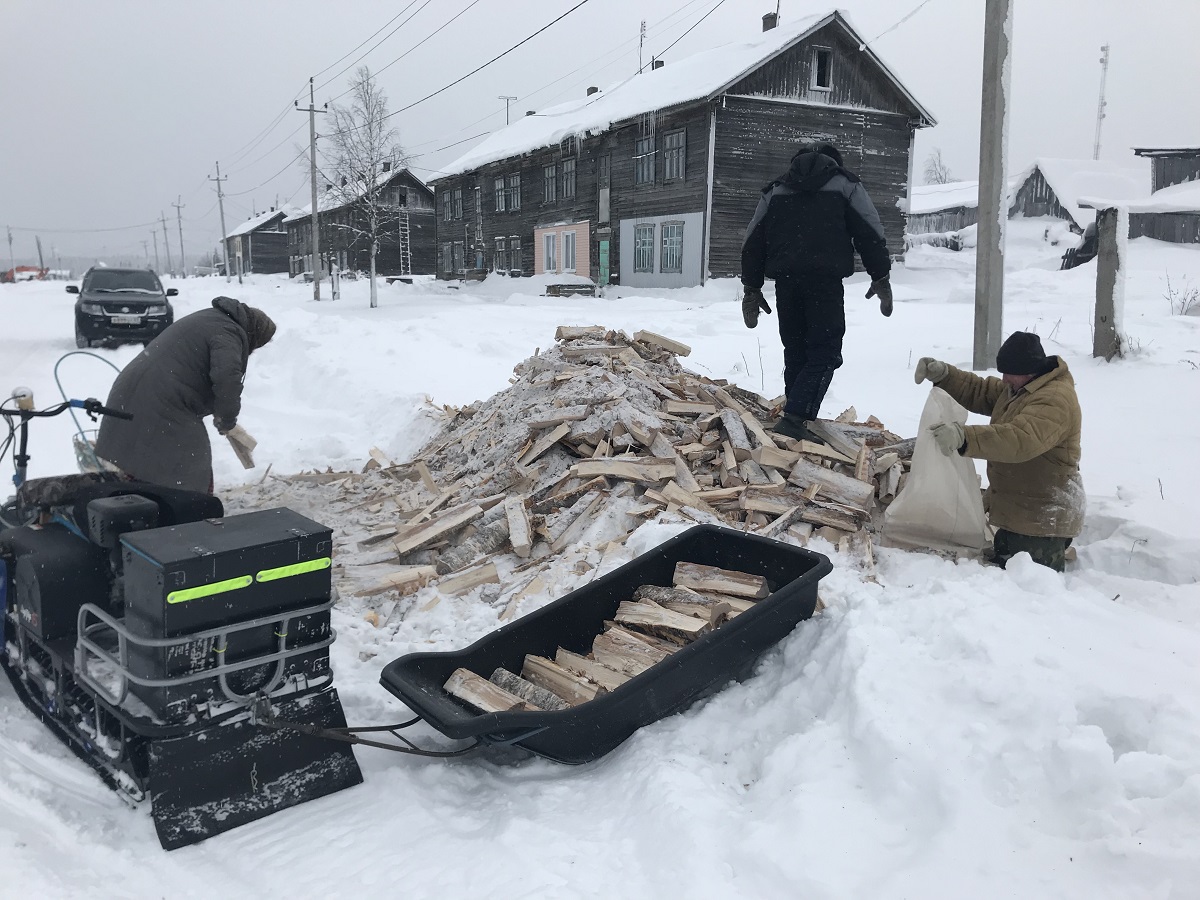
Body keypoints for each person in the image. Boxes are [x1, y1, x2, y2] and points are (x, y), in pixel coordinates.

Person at [739, 141, 894, 443]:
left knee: (795, 349)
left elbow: (753, 241)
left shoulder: (776, 190)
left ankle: (793, 414)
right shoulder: (846, 186)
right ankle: (795, 419)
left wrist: (751, 287)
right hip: (824, 282)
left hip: (786, 282)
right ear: (835, 162)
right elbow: (870, 232)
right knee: (825, 351)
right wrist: (880, 275)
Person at [914, 331, 1084, 572]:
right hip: (1022, 508)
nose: (1003, 379)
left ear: (1028, 370)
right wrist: (945, 375)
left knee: (1026, 580)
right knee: (1004, 558)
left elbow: (1019, 439)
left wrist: (965, 437)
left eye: (1008, 373)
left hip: (1044, 517)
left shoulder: (1054, 400)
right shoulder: (1023, 387)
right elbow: (981, 391)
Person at [94, 296, 276, 493]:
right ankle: (191, 513)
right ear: (254, 335)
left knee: (144, 461)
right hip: (163, 400)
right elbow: (227, 380)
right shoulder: (228, 332)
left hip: (135, 391)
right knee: (191, 462)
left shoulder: (212, 318)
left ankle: (146, 502)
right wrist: (227, 420)